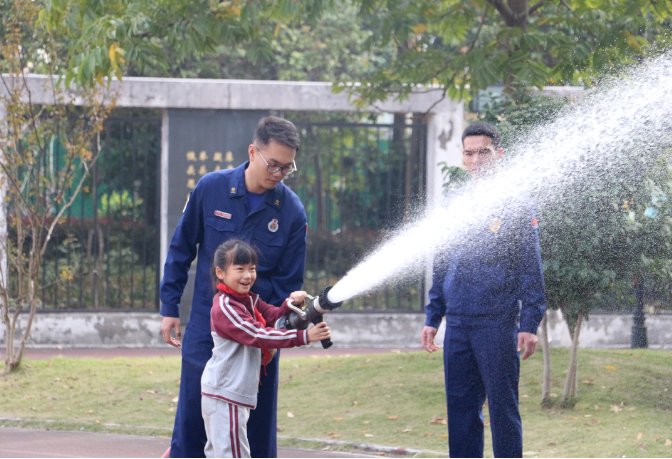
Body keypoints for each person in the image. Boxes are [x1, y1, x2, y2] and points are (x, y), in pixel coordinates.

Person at [160, 115, 308, 458]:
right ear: (252, 151)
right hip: (205, 330)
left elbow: (289, 282)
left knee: (254, 427)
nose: (278, 174)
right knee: (194, 420)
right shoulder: (211, 188)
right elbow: (181, 249)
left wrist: (275, 328)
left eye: (287, 168)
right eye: (273, 164)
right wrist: (170, 307)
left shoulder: (291, 212)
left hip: (257, 338)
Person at [420, 122, 547, 458]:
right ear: (462, 157)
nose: (476, 159)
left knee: (503, 412)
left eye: (483, 152)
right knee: (461, 413)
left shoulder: (516, 204)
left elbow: (530, 268)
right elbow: (442, 263)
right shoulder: (454, 202)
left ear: (499, 155)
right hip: (458, 325)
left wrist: (529, 324)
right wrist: (433, 317)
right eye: (469, 152)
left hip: (497, 323)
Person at [202, 239, 330, 458]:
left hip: (230, 393)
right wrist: (304, 336)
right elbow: (258, 334)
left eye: (252, 269)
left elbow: (271, 315)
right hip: (226, 394)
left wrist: (292, 302)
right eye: (239, 269)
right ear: (220, 272)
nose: (247, 275)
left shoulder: (247, 299)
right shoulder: (225, 306)